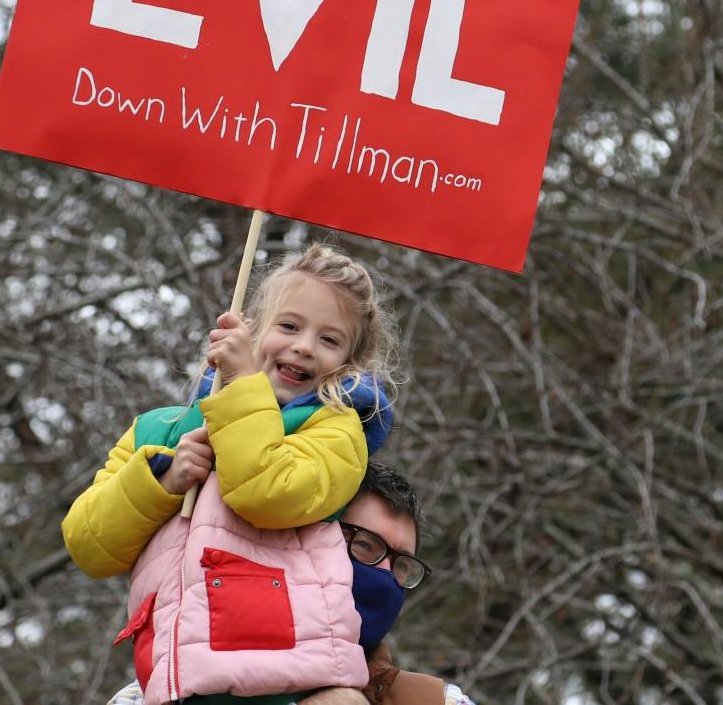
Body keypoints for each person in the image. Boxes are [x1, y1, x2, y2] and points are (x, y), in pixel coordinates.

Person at [65, 243, 399, 705]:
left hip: (288, 677)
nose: (304, 346)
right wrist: (162, 483)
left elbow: (267, 494)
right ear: (250, 330)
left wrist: (244, 386)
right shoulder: (158, 429)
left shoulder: (336, 430)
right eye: (288, 326)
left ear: (348, 362)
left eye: (329, 339)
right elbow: (89, 547)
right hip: (180, 677)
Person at [108, 463, 476, 705]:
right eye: (365, 546)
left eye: (400, 565)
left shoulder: (435, 701)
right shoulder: (160, 694)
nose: (383, 575)